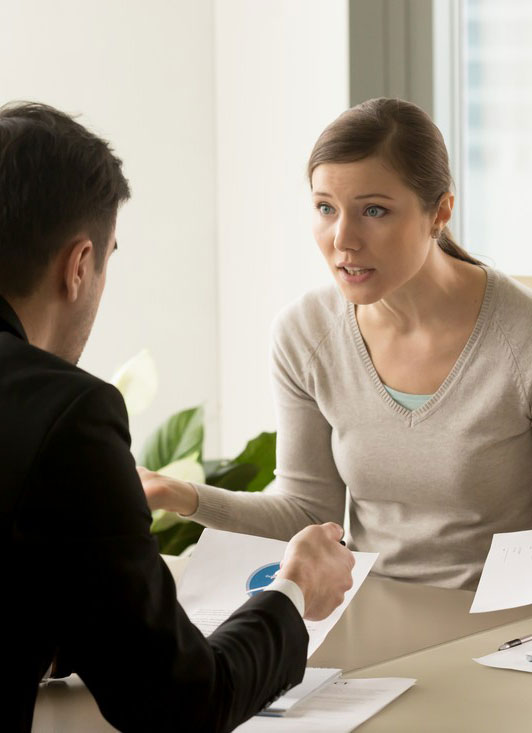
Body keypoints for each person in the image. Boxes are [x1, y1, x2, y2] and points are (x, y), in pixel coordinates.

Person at [0, 102, 355, 733]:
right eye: (325, 208)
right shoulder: (66, 411)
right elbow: (180, 703)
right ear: (79, 265)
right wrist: (293, 593)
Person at [141, 97, 532, 593]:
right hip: (370, 617)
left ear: (440, 212)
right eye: (326, 208)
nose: (343, 239)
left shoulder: (521, 339)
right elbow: (306, 513)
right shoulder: (305, 334)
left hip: (502, 632)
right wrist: (179, 495)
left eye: (374, 210)